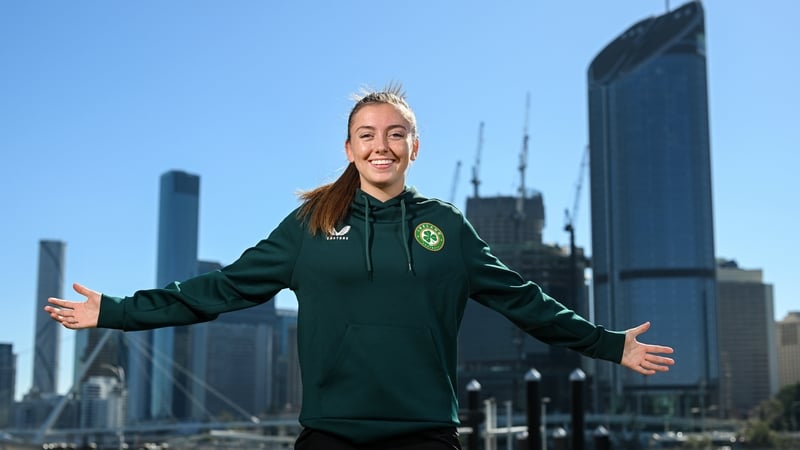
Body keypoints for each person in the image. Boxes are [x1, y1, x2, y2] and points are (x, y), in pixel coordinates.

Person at [45, 84, 674, 450]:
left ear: (413, 147)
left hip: (426, 434)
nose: (381, 144)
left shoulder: (447, 228)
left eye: (396, 133)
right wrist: (115, 312)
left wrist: (608, 344)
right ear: (349, 149)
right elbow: (220, 290)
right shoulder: (310, 225)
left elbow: (522, 299)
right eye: (367, 134)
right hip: (329, 437)